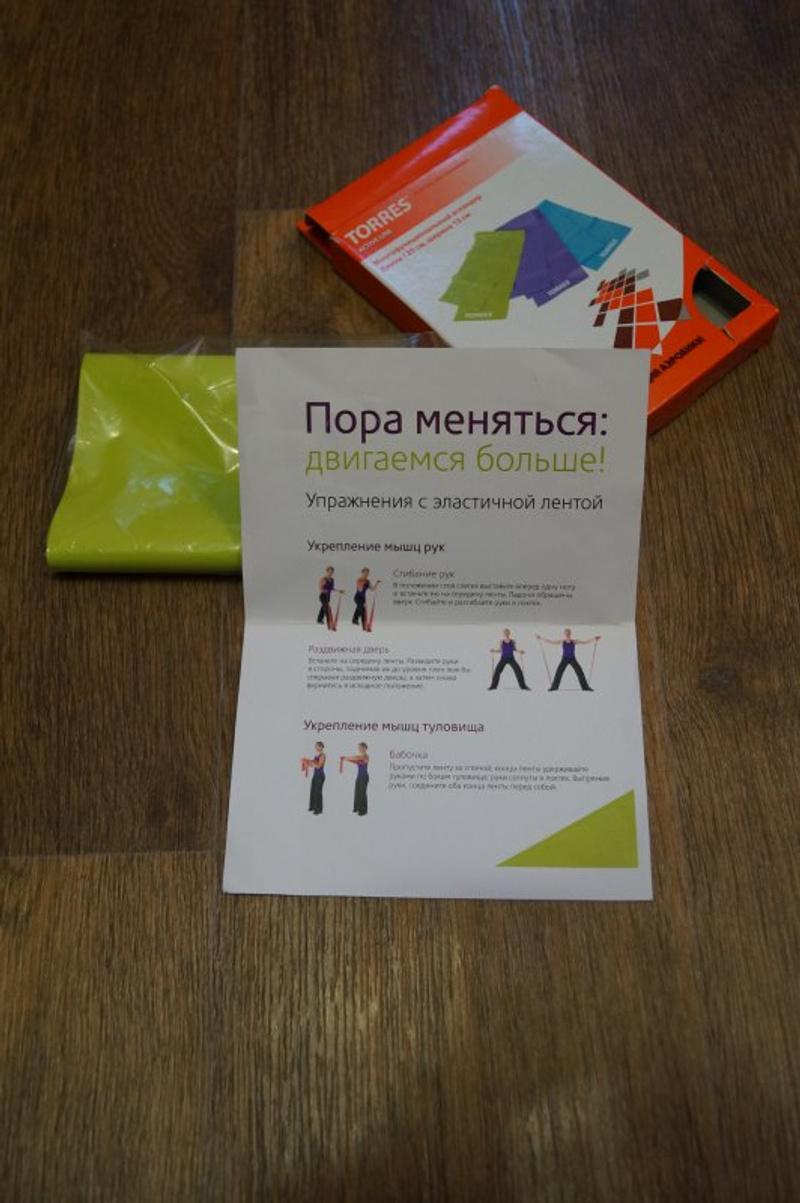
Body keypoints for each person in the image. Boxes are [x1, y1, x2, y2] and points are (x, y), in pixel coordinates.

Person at [341, 743, 370, 815]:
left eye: (361, 747)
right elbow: (355, 761)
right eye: (359, 748)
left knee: (362, 793)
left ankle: (363, 811)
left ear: (365, 748)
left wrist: (346, 757)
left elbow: (356, 758)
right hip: (359, 776)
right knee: (357, 792)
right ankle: (357, 808)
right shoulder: (360, 757)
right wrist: (345, 759)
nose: (359, 749)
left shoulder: (365, 756)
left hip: (364, 776)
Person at [301, 742, 326, 814]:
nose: (316, 748)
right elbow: (313, 765)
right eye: (315, 747)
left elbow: (318, 766)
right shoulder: (317, 755)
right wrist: (306, 761)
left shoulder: (322, 756)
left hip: (320, 776)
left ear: (321, 747)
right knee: (313, 791)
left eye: (317, 746)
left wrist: (310, 762)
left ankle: (318, 810)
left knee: (318, 792)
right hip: (315, 775)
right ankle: (313, 807)